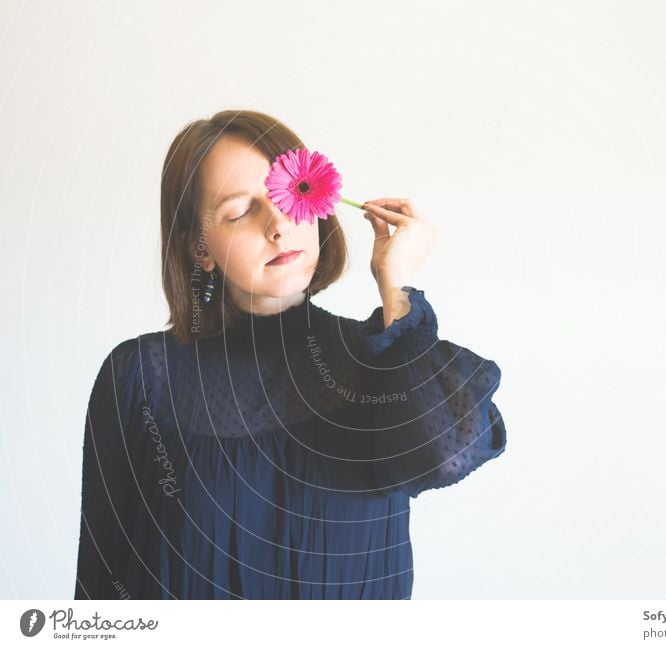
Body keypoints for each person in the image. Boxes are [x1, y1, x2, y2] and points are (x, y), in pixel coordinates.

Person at [74, 109, 507, 599]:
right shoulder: (139, 378)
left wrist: (396, 285)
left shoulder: (379, 361)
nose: (277, 225)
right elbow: (100, 578)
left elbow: (447, 455)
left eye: (292, 194)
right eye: (240, 212)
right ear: (200, 250)